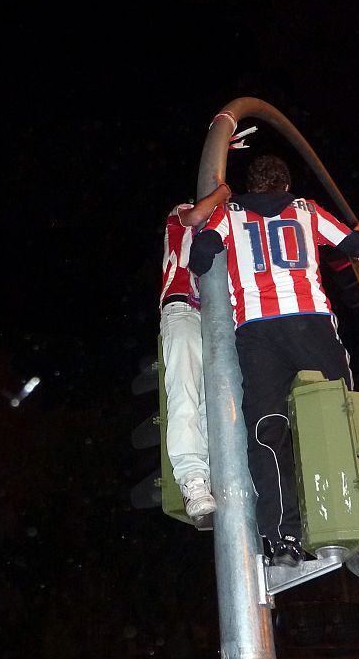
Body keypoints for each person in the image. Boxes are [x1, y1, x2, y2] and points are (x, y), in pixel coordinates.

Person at [188, 154, 359, 566]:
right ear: (286, 185)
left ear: (252, 185)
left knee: (266, 429)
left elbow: (201, 255)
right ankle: (352, 527)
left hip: (257, 331)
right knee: (341, 416)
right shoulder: (307, 210)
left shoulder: (228, 213)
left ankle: (282, 538)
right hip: (309, 321)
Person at [160, 181, 232, 519]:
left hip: (215, 316)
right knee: (185, 393)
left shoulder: (226, 223)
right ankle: (192, 479)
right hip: (182, 309)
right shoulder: (180, 214)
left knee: (214, 399)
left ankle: (216, 476)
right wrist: (222, 190)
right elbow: (197, 214)